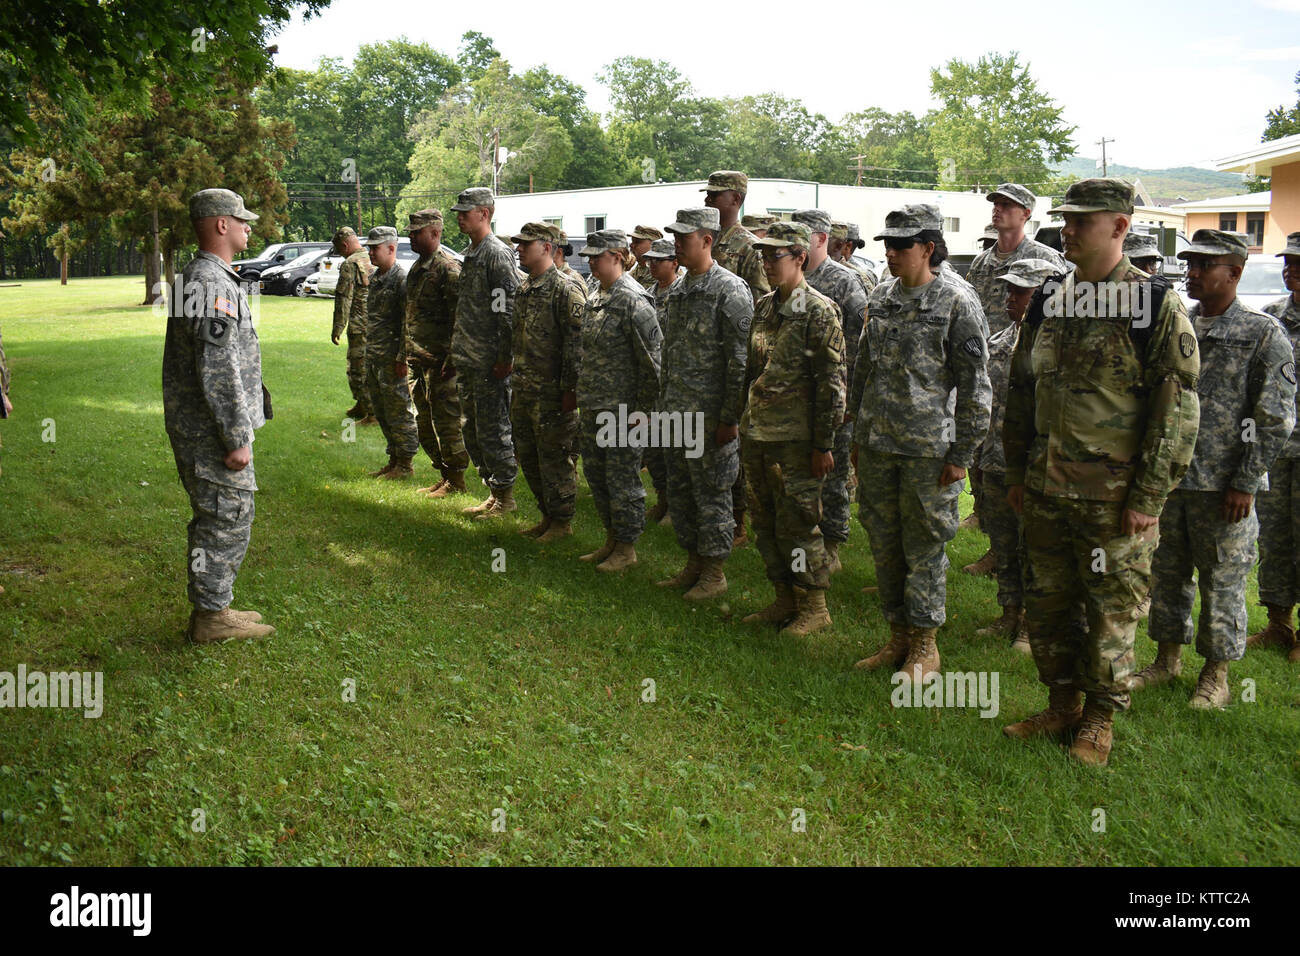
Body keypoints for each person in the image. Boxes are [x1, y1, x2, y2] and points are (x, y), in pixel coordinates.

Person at [1002, 178, 1201, 766]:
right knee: (1048, 602)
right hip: (1045, 486)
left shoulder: (1154, 305)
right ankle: (1061, 702)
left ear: (1119, 227)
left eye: (1082, 221)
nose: (1068, 229)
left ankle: (1099, 718)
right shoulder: (1049, 298)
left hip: (1114, 498)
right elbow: (1020, 389)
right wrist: (1016, 470)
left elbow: (1177, 408)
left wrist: (1149, 494)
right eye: (1066, 219)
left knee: (1112, 608)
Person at [1134, 230, 1295, 707]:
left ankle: (1217, 674)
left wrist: (1245, 481)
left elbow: (1274, 416)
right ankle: (1166, 660)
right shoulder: (1178, 326)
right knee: (1168, 572)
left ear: (1236, 273)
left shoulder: (1262, 333)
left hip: (1223, 485)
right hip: (1171, 479)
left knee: (1222, 578)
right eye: (1191, 263)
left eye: (1206, 264)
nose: (1194, 272)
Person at [849, 204, 990, 683]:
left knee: (925, 545)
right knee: (885, 542)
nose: (890, 254)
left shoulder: (956, 301)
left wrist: (962, 455)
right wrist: (855, 431)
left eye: (901, 245)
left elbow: (975, 387)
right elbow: (863, 368)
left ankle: (926, 645)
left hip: (930, 451)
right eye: (886, 245)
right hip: (877, 443)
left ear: (928, 248)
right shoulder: (883, 296)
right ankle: (898, 637)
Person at [162, 188, 274, 645]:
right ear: (220, 225)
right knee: (226, 515)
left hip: (199, 423)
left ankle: (216, 605)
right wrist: (236, 436)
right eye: (241, 219)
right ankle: (210, 617)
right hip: (210, 429)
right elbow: (218, 367)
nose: (249, 226)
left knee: (218, 512)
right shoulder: (208, 283)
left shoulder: (205, 276)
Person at [741, 222, 846, 635]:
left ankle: (813, 604)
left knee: (798, 523)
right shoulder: (765, 306)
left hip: (797, 440)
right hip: (759, 434)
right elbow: (752, 371)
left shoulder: (819, 310)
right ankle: (783, 597)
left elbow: (832, 383)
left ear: (800, 257)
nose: (767, 263)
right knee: (765, 523)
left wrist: (824, 443)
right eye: (763, 256)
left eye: (776, 256)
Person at [657, 207, 753, 599]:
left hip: (710, 417)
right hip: (676, 412)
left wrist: (729, 417)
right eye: (675, 237)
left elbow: (740, 360)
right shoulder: (679, 289)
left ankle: (714, 573)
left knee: (712, 492)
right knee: (680, 492)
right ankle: (694, 563)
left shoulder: (730, 290)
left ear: (708, 240)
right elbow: (670, 352)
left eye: (685, 237)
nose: (677, 243)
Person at [972, 258, 1059, 652]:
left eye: (1020, 290)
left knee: (1035, 547)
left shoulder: (1057, 342)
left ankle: (1032, 625)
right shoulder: (1002, 339)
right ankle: (1009, 611)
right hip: (995, 459)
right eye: (1009, 289)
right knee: (1004, 543)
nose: (1010, 297)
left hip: (1037, 466)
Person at [576, 230, 663, 571]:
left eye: (597, 256)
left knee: (622, 480)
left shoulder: (633, 299)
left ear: (617, 255)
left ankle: (626, 548)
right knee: (597, 477)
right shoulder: (597, 294)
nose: (591, 261)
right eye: (590, 257)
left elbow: (653, 364)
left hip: (624, 411)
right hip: (595, 404)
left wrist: (643, 413)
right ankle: (611, 539)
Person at [792, 208, 867, 574]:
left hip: (834, 393)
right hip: (797, 395)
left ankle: (833, 544)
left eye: (804, 234)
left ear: (822, 239)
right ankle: (806, 541)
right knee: (803, 474)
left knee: (833, 477)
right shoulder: (792, 277)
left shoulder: (843, 282)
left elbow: (858, 341)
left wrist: (847, 398)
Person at [703, 170, 769, 549]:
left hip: (736, 356)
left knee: (734, 443)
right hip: (705, 356)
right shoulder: (706, 240)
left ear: (736, 199)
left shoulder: (747, 246)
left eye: (716, 195)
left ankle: (739, 520)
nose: (709, 200)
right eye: (708, 195)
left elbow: (760, 305)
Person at [510, 222, 587, 543]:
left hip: (553, 395)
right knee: (528, 455)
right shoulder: (525, 288)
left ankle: (562, 521)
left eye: (525, 245)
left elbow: (577, 345)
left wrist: (571, 390)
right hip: (524, 390)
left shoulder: (566, 289)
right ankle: (547, 515)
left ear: (546, 247)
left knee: (555, 458)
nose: (519, 249)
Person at [450, 187, 521, 518]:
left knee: (494, 429)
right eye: (459, 212)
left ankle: (506, 497)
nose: (461, 217)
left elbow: (506, 311)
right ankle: (494, 491)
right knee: (472, 429)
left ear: (486, 213)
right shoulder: (472, 252)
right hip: (469, 359)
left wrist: (504, 358)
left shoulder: (496, 254)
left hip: (490, 362)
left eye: (467, 211)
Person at [1252, 231, 1300, 662]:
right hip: (1278, 448)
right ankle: (1278, 623)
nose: (1291, 271)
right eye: (1289, 262)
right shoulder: (1273, 317)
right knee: (1275, 537)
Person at [403, 208, 469, 498]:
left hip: (442, 364)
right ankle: (444, 475)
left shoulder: (448, 269)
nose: (411, 236)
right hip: (419, 361)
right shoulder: (418, 269)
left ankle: (457, 479)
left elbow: (461, 318)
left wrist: (453, 358)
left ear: (435, 233)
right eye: (411, 231)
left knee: (447, 422)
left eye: (417, 232)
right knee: (424, 421)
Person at [362, 226, 418, 480]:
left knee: (398, 410)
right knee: (382, 409)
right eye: (369, 247)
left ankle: (405, 463)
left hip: (392, 358)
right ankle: (393, 459)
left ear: (391, 248)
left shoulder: (401, 280)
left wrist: (402, 358)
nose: (371, 252)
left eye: (375, 248)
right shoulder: (376, 278)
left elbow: (408, 323)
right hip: (374, 356)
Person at [641, 237, 683, 524]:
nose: (652, 264)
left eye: (659, 260)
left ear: (675, 263)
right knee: (653, 448)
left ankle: (677, 506)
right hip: (651, 384)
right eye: (650, 259)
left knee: (675, 448)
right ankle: (663, 499)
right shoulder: (646, 294)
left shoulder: (682, 293)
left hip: (676, 383)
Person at [330, 226, 377, 425]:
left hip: (359, 325)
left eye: (340, 250)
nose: (340, 255)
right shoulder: (372, 258)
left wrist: (337, 328)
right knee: (368, 365)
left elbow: (344, 298)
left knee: (358, 367)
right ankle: (362, 405)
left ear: (345, 245)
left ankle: (372, 414)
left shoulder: (350, 264)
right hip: (375, 323)